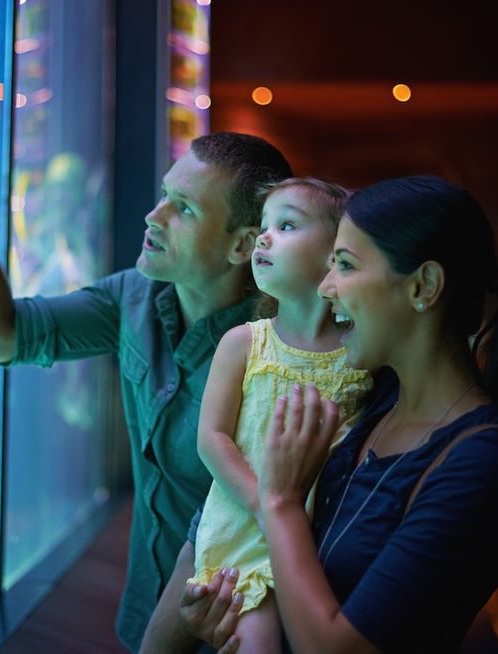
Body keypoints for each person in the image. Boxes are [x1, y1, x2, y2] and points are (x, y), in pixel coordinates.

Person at [0, 88, 294, 652]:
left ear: (243, 244)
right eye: (164, 195)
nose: (155, 215)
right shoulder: (134, 298)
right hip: (144, 613)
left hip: (237, 630)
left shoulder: (284, 350)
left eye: (185, 208)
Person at [176, 175, 498, 652]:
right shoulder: (375, 406)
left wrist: (281, 502)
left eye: (345, 265)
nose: (327, 288)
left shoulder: (479, 464)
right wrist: (224, 617)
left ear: (424, 286)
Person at [142, 178, 373, 653]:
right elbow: (212, 438)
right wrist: (262, 505)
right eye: (264, 226)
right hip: (239, 533)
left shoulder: (363, 352)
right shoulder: (246, 342)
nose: (263, 238)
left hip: (315, 545)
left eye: (286, 225)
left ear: (337, 253)